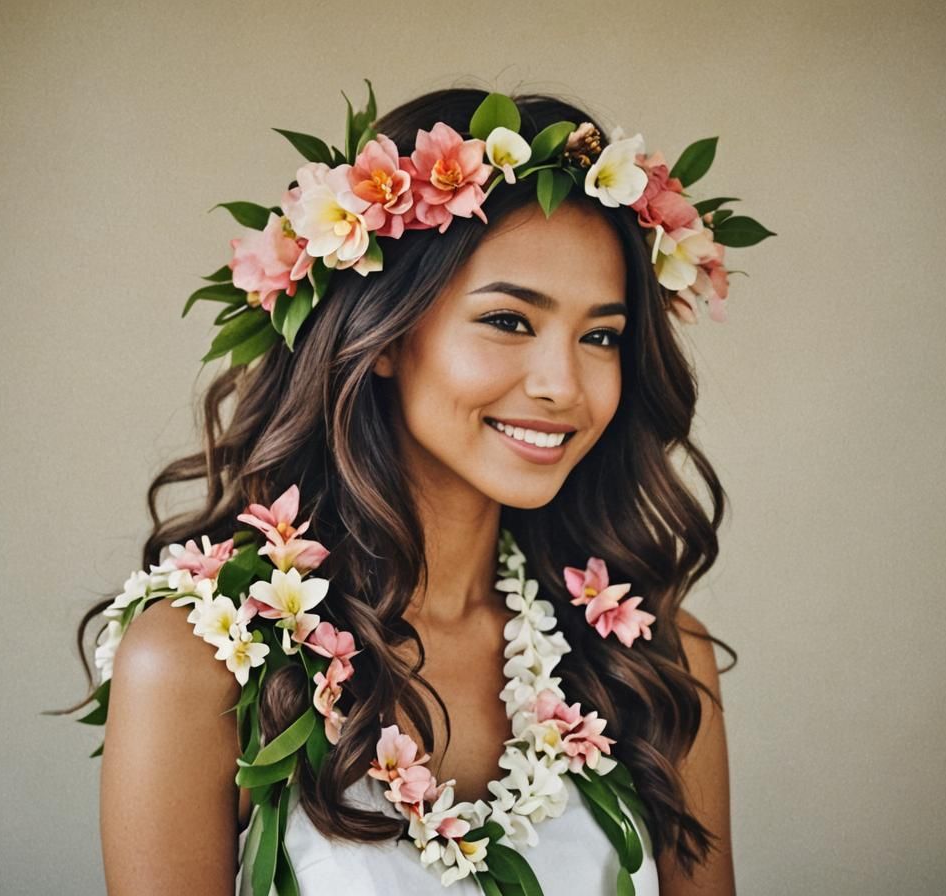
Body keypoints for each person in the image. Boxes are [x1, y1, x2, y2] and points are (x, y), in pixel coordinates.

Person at [72, 85, 752, 896]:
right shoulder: (200, 664)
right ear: (385, 334)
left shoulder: (656, 663)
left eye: (601, 336)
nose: (563, 385)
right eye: (509, 321)